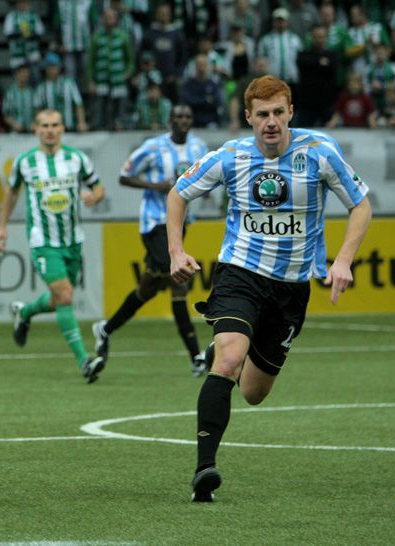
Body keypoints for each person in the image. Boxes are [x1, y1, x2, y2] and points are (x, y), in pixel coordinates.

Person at [166, 75, 371, 502]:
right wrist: (176, 251)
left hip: (292, 289)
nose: (271, 122)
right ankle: (205, 470)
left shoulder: (319, 152)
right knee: (229, 360)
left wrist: (345, 260)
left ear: (291, 112)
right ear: (248, 117)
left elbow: (361, 204)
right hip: (240, 274)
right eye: (262, 115)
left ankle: (222, 349)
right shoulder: (231, 156)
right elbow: (178, 194)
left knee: (254, 392)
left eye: (279, 112)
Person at [93, 103, 208, 376]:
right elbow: (125, 176)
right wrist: (157, 186)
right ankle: (196, 357)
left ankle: (106, 329)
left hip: (180, 223)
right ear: (170, 120)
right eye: (178, 116)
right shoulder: (154, 147)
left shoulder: (199, 148)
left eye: (187, 116)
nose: (183, 120)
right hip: (155, 222)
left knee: (149, 288)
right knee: (180, 281)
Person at [0, 108, 106, 384]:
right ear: (35, 129)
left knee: (59, 299)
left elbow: (99, 186)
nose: (50, 130)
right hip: (43, 242)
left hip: (72, 241)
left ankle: (25, 312)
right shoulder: (25, 162)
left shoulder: (76, 159)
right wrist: (2, 227)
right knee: (66, 296)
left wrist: (95, 196)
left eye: (55, 125)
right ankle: (84, 361)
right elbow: (11, 193)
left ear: (62, 129)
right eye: (44, 125)